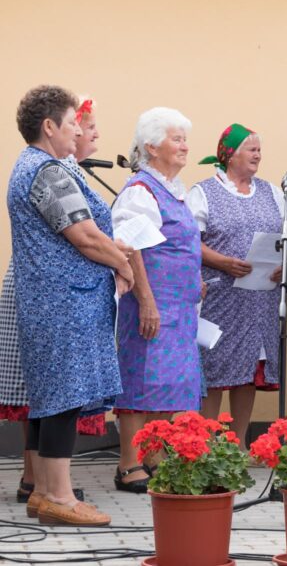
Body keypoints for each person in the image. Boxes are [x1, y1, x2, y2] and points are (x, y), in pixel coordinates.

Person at [7, 86, 132, 525]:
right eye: (72, 123)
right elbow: (84, 235)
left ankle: (43, 492)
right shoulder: (47, 171)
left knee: (49, 397)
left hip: (52, 299)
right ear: (49, 126)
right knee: (64, 396)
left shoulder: (31, 166)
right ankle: (60, 496)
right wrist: (124, 264)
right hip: (64, 301)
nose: (78, 131)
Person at [113, 107, 203, 493]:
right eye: (176, 139)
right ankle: (128, 463)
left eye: (185, 139)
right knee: (141, 379)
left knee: (168, 383)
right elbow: (130, 247)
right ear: (151, 147)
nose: (185, 146)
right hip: (152, 302)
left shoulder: (173, 189)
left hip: (179, 307)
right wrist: (147, 301)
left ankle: (154, 457)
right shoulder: (141, 190)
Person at [187, 124, 285, 448]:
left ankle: (238, 444)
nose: (258, 155)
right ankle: (204, 445)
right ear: (230, 155)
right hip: (220, 296)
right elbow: (189, 241)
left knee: (249, 369)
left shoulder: (272, 192)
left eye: (259, 149)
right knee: (214, 368)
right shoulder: (203, 192)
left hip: (259, 300)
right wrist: (223, 262)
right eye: (251, 149)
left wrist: (283, 265)